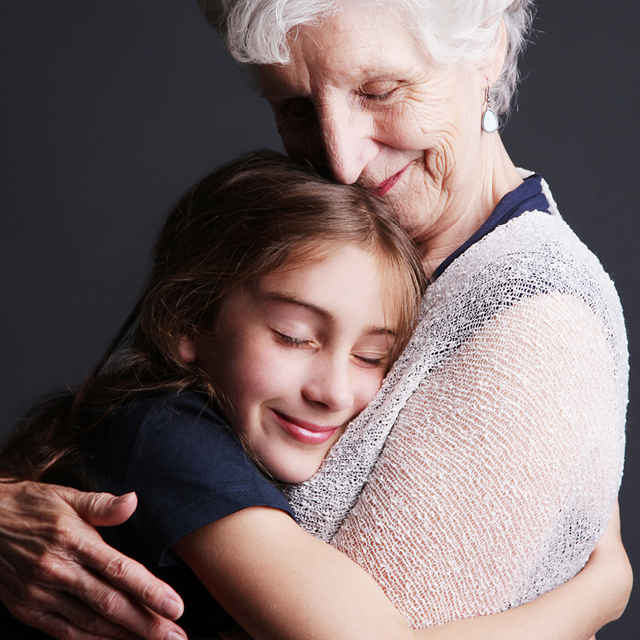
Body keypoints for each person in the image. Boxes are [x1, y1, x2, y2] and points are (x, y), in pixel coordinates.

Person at [0, 0, 631, 639]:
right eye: (295, 109)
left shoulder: (533, 321)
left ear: (486, 47)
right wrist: (600, 595)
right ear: (192, 320)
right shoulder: (172, 415)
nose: (340, 162)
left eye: (381, 91)